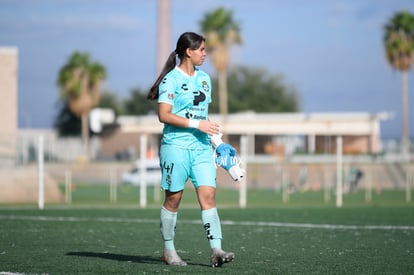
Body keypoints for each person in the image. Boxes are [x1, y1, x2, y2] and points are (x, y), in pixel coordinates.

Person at [147, 31, 235, 267]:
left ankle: (216, 249)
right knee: (173, 199)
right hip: (175, 147)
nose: (205, 54)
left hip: (201, 149)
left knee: (208, 196)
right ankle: (168, 251)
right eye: (202, 50)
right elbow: (163, 115)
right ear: (189, 51)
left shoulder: (205, 79)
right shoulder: (171, 80)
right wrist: (198, 124)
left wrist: (218, 142)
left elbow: (203, 117)